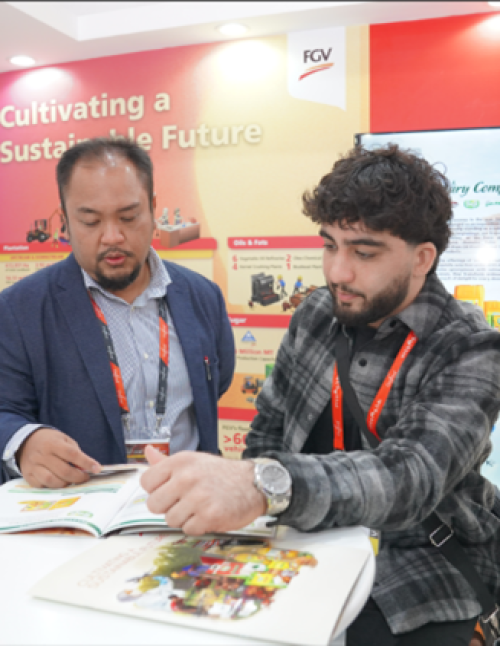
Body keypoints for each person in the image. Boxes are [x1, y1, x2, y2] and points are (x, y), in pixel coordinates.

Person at [140, 144, 500, 645]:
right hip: (303, 542)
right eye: (330, 245)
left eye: (364, 253)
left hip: (420, 568)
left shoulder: (471, 347)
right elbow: (268, 429)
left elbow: (410, 478)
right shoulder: (316, 314)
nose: (337, 272)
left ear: (422, 259)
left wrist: (263, 486)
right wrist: (254, 500)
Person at [0, 137, 235, 487]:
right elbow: (5, 408)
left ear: (152, 209)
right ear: (65, 222)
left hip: (186, 503)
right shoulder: (20, 309)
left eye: (128, 217)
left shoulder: (202, 296)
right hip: (78, 507)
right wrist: (24, 441)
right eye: (90, 221)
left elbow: (216, 384)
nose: (112, 236)